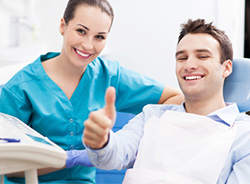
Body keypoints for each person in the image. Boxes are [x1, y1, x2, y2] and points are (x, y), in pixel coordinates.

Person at [0, 0, 184, 184]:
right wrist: (68, 159)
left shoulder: (109, 76)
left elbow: (175, 98)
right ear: (63, 26)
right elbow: (5, 163)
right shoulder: (21, 88)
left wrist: (128, 139)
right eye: (81, 31)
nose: (88, 45)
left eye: (99, 37)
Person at [83, 19, 250, 183]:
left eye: (202, 56)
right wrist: (101, 141)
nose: (189, 64)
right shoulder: (151, 116)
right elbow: (114, 155)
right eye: (182, 58)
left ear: (226, 68)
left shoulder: (244, 136)